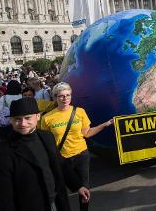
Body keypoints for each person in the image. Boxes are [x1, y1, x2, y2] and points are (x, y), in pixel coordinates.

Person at [0, 97, 90, 211]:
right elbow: (3, 199)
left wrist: (77, 185)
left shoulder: (47, 136)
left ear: (38, 117)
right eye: (17, 119)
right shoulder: (2, 154)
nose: (23, 123)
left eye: (27, 118)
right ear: (11, 120)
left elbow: (60, 162)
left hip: (57, 202)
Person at [41, 82, 113, 211]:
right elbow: (45, 142)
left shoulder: (79, 112)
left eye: (68, 95)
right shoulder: (47, 118)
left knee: (84, 189)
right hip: (61, 159)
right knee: (60, 190)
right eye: (61, 96)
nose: (65, 99)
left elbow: (87, 133)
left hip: (81, 155)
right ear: (55, 97)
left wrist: (105, 124)